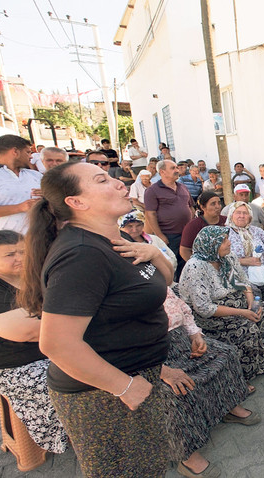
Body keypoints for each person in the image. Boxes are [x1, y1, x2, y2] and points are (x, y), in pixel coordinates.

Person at [20, 161, 174, 476]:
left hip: (138, 378)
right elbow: (57, 344)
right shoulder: (81, 255)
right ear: (77, 203)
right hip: (103, 396)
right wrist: (125, 387)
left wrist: (154, 254)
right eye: (103, 180)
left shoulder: (113, 238)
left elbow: (163, 282)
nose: (120, 184)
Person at [159, 285, 257, 478]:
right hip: (152, 357)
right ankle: (186, 457)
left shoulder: (151, 278)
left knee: (225, 355)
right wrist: (162, 371)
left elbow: (183, 309)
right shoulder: (110, 300)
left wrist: (196, 335)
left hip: (181, 338)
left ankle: (228, 406)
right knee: (174, 393)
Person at [0, 230, 68, 455]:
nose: (20, 257)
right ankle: (69, 433)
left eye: (23, 251)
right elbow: (31, 332)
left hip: (47, 349)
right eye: (10, 254)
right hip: (9, 366)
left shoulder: (29, 276)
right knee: (73, 380)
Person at [179, 226, 264, 380]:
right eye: (224, 240)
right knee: (247, 327)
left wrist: (251, 303)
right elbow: (204, 308)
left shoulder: (227, 257)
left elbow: (243, 282)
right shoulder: (196, 267)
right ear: (212, 245)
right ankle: (244, 375)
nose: (229, 243)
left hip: (234, 301)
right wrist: (243, 312)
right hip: (211, 313)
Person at [145, 159, 195, 280]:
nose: (177, 170)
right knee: (173, 263)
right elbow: (150, 214)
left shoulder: (182, 187)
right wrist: (160, 235)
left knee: (188, 263)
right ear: (162, 172)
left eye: (177, 168)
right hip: (169, 234)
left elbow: (191, 207)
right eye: (173, 168)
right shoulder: (152, 190)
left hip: (186, 233)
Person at [0, 134, 41, 234]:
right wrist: (20, 207)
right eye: (28, 152)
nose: (31, 156)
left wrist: (47, 196)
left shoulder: (35, 175)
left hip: (38, 240)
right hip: (7, 243)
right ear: (15, 152)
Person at [180, 191, 226, 261]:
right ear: (203, 207)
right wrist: (198, 265)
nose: (218, 206)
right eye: (213, 204)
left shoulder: (226, 221)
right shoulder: (193, 226)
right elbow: (184, 250)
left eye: (219, 203)